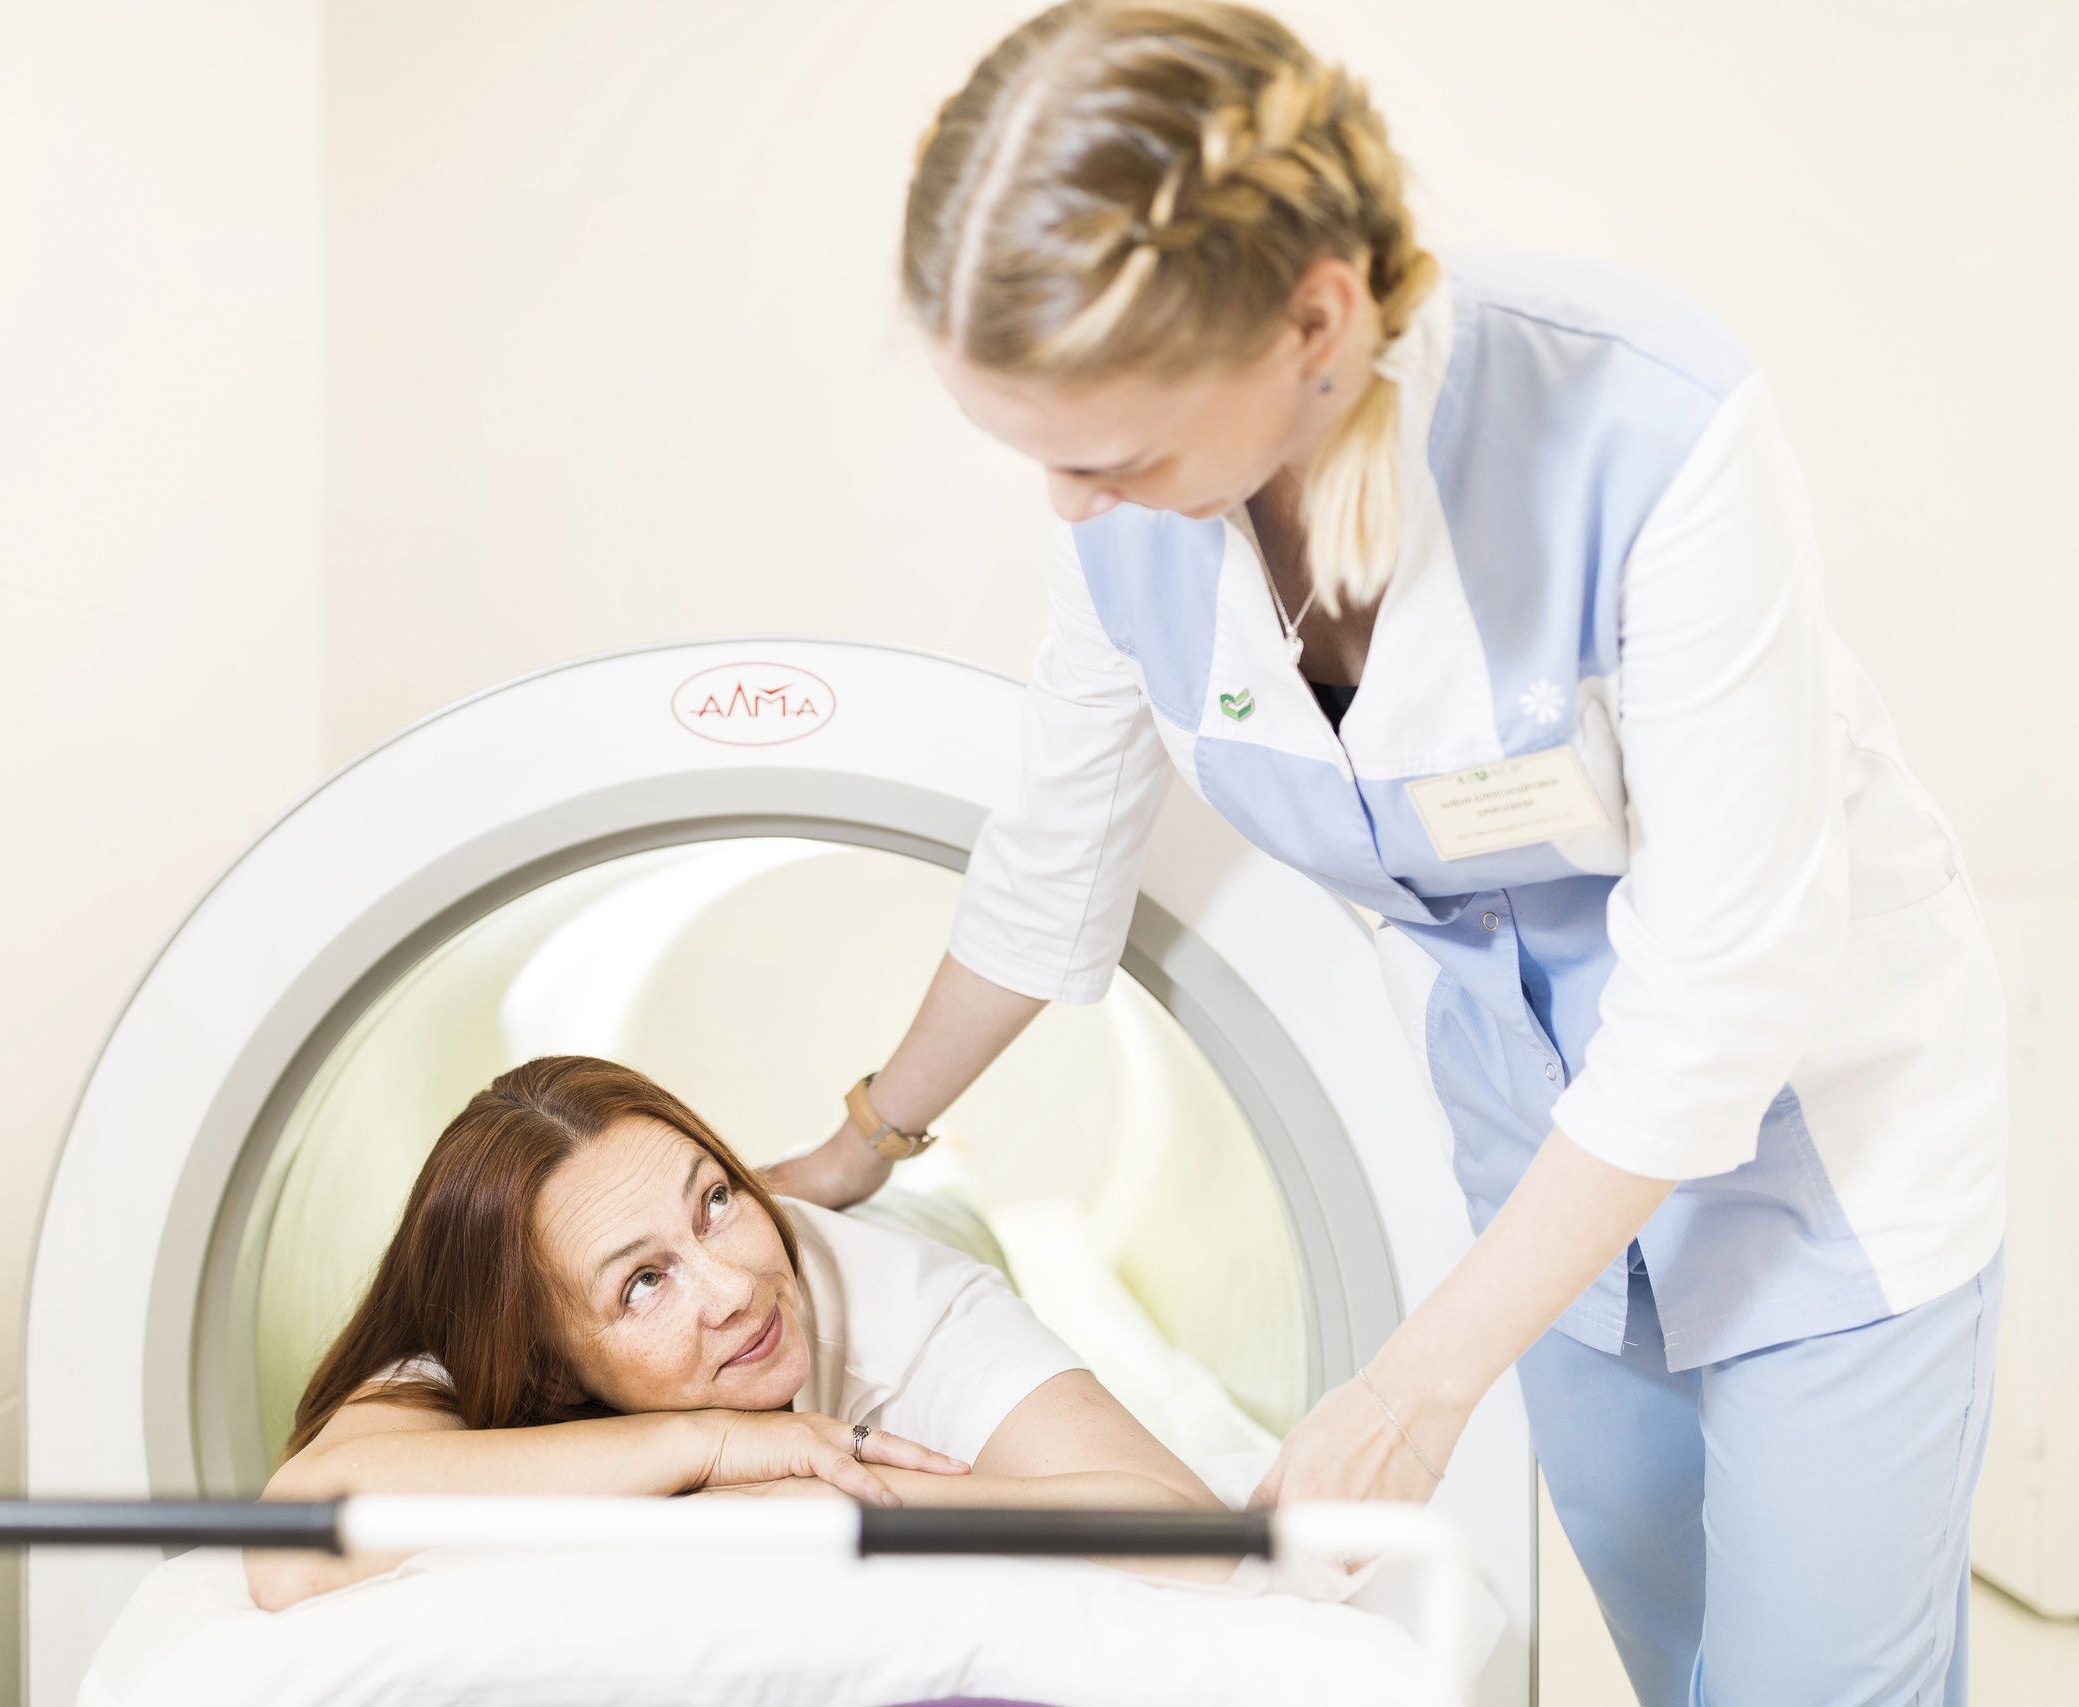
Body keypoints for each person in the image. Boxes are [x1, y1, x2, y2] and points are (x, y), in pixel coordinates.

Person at [763, 4, 2008, 1701]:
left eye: (1109, 452)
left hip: (1821, 1160)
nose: (1069, 503)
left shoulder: (1641, 425)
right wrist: (861, 1142)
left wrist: (1414, 1385)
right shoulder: (1128, 515)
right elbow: (1054, 862)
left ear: (1316, 319)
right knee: (1683, 1663)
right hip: (1540, 1182)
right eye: (1039, 454)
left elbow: (1720, 988)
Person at [248, 1054, 1227, 1612]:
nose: (733, 1292)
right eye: (643, 1283)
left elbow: (1193, 1540)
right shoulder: (489, 1350)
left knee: (941, 1195)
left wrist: (822, 1501)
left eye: (715, 1197)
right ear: (549, 1369)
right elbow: (290, 1547)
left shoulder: (909, 1301)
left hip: (911, 1221)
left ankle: (943, 1170)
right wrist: (707, 1447)